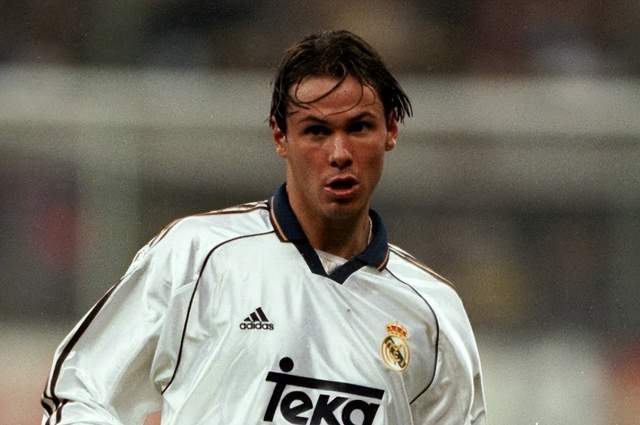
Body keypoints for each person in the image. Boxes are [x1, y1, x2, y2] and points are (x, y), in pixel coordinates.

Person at [41, 30, 486, 425]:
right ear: (280, 136)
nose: (339, 153)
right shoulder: (197, 257)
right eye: (316, 131)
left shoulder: (433, 311)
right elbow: (80, 392)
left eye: (359, 127)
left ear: (390, 130)